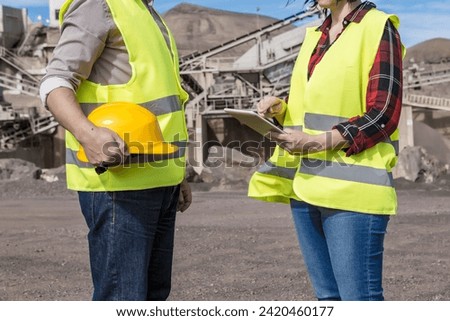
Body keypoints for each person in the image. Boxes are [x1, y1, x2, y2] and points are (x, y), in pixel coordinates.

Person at [249, 0, 404, 301]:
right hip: (306, 188)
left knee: (359, 301)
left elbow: (383, 113)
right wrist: (281, 109)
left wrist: (316, 143)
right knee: (328, 301)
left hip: (353, 193)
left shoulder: (377, 28)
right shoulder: (315, 36)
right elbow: (316, 108)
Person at [39, 0, 192, 301]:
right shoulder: (100, 4)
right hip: (119, 183)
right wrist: (88, 135)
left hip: (161, 179)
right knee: (123, 298)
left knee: (154, 295)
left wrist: (178, 174)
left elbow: (162, 109)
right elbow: (55, 83)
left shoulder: (147, 13)